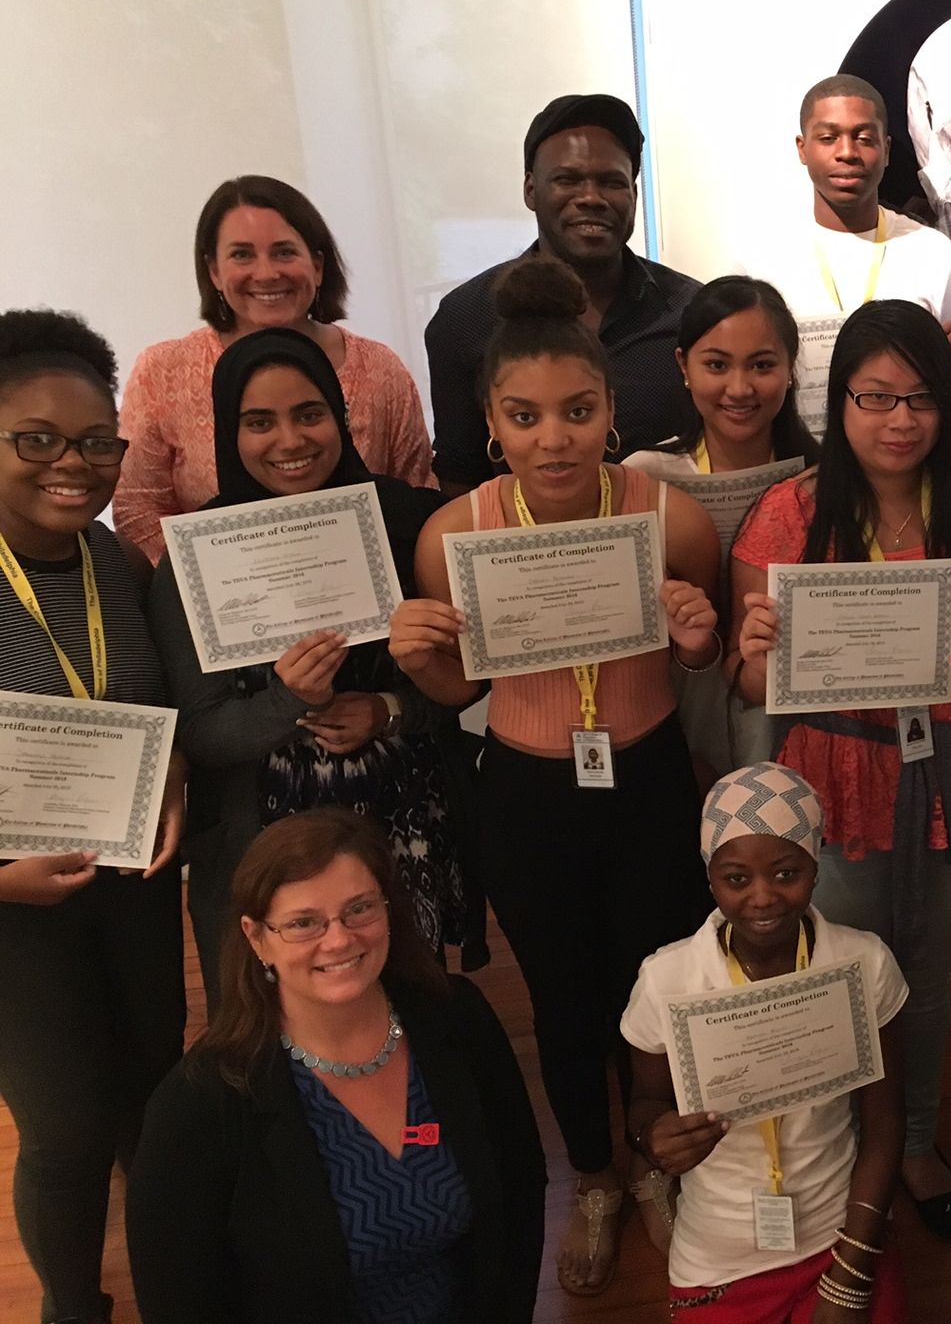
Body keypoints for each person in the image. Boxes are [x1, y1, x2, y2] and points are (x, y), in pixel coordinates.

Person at [389, 254, 724, 1294]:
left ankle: (663, 1158)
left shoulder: (670, 518)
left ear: (611, 408)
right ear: (492, 420)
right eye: (525, 417)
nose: (554, 438)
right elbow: (454, 694)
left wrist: (701, 637)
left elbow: (701, 658)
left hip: (651, 783)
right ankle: (594, 1177)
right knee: (565, 999)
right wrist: (420, 658)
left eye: (577, 411)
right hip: (529, 792)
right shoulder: (457, 535)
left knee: (662, 987)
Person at [732, 298, 951, 1238]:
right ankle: (842, 1148)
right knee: (837, 972)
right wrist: (756, 646)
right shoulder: (791, 511)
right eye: (875, 398)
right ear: (839, 402)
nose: (901, 422)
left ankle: (921, 1135)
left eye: (923, 398)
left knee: (928, 968)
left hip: (942, 768)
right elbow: (746, 678)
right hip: (835, 772)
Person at [127, 810, 546, 1323]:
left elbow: (521, 1193)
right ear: (257, 938)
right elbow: (179, 1304)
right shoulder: (195, 1106)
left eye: (359, 909)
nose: (340, 940)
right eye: (304, 922)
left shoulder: (458, 1020)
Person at [149, 327, 468, 992]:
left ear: (341, 418)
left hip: (395, 834)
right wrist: (288, 699)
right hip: (262, 850)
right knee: (277, 1038)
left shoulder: (409, 524)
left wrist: (386, 709)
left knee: (411, 1009)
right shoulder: (197, 557)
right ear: (228, 434)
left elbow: (458, 698)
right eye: (260, 422)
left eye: (310, 414)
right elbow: (200, 734)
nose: (290, 441)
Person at [0, 310, 187, 1324]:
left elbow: (160, 712)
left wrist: (179, 784)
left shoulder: (119, 566)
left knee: (151, 1098)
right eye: (37, 440)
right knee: (66, 1129)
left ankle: (170, 1285)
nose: (73, 465)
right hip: (15, 908)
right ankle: (73, 1308)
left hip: (129, 886)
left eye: (95, 442)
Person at [622, 764, 911, 1321]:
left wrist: (851, 1270)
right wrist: (653, 1139)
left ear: (814, 866)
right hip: (720, 1254)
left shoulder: (863, 963)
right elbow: (646, 1103)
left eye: (785, 873)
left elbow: (885, 1120)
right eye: (736, 879)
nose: (762, 898)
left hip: (842, 1230)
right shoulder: (668, 979)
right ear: (710, 878)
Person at [115, 175, 433, 562]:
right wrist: (221, 585)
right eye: (242, 255)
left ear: (317, 267)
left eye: (284, 252)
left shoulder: (380, 369)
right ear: (214, 271)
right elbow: (138, 512)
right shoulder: (161, 372)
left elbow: (415, 493)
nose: (266, 274)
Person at [427, 93, 702, 492]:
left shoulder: (690, 312)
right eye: (567, 180)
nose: (591, 198)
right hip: (525, 552)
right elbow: (459, 478)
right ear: (530, 190)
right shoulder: (465, 319)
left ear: (634, 197)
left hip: (671, 542)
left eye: (611, 182)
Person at [626, 276, 819, 780]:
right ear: (682, 367)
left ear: (791, 370)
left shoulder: (827, 480)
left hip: (798, 723)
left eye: (762, 365)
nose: (739, 388)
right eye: (716, 364)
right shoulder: (644, 481)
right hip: (673, 716)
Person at [736, 75, 951, 369]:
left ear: (886, 151)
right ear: (802, 148)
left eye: (864, 138)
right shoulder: (759, 258)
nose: (847, 152)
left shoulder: (932, 252)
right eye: (828, 138)